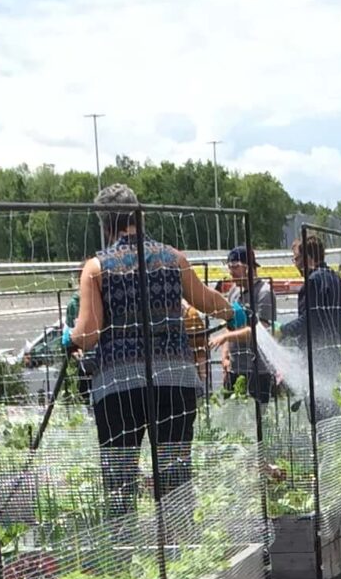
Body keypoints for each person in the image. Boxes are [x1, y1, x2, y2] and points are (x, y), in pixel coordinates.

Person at [70, 184, 233, 510]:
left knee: (121, 480)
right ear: (138, 215)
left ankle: (123, 550)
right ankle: (182, 551)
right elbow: (206, 301)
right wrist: (233, 311)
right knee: (174, 478)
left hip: (120, 388)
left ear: (105, 224)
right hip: (175, 383)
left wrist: (69, 336)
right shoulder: (173, 258)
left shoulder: (97, 267)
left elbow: (88, 334)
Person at [210, 246, 278, 405]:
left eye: (235, 267)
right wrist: (225, 357)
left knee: (259, 416)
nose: (231, 272)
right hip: (235, 367)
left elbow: (260, 330)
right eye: (229, 267)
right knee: (231, 414)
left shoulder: (264, 293)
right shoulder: (234, 292)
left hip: (258, 368)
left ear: (248, 268)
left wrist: (225, 337)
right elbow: (230, 324)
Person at [292, 230, 341, 377]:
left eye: (298, 259)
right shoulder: (336, 278)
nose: (296, 265)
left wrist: (283, 331)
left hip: (316, 356)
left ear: (308, 258)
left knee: (316, 397)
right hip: (334, 349)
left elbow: (308, 320)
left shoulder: (312, 281)